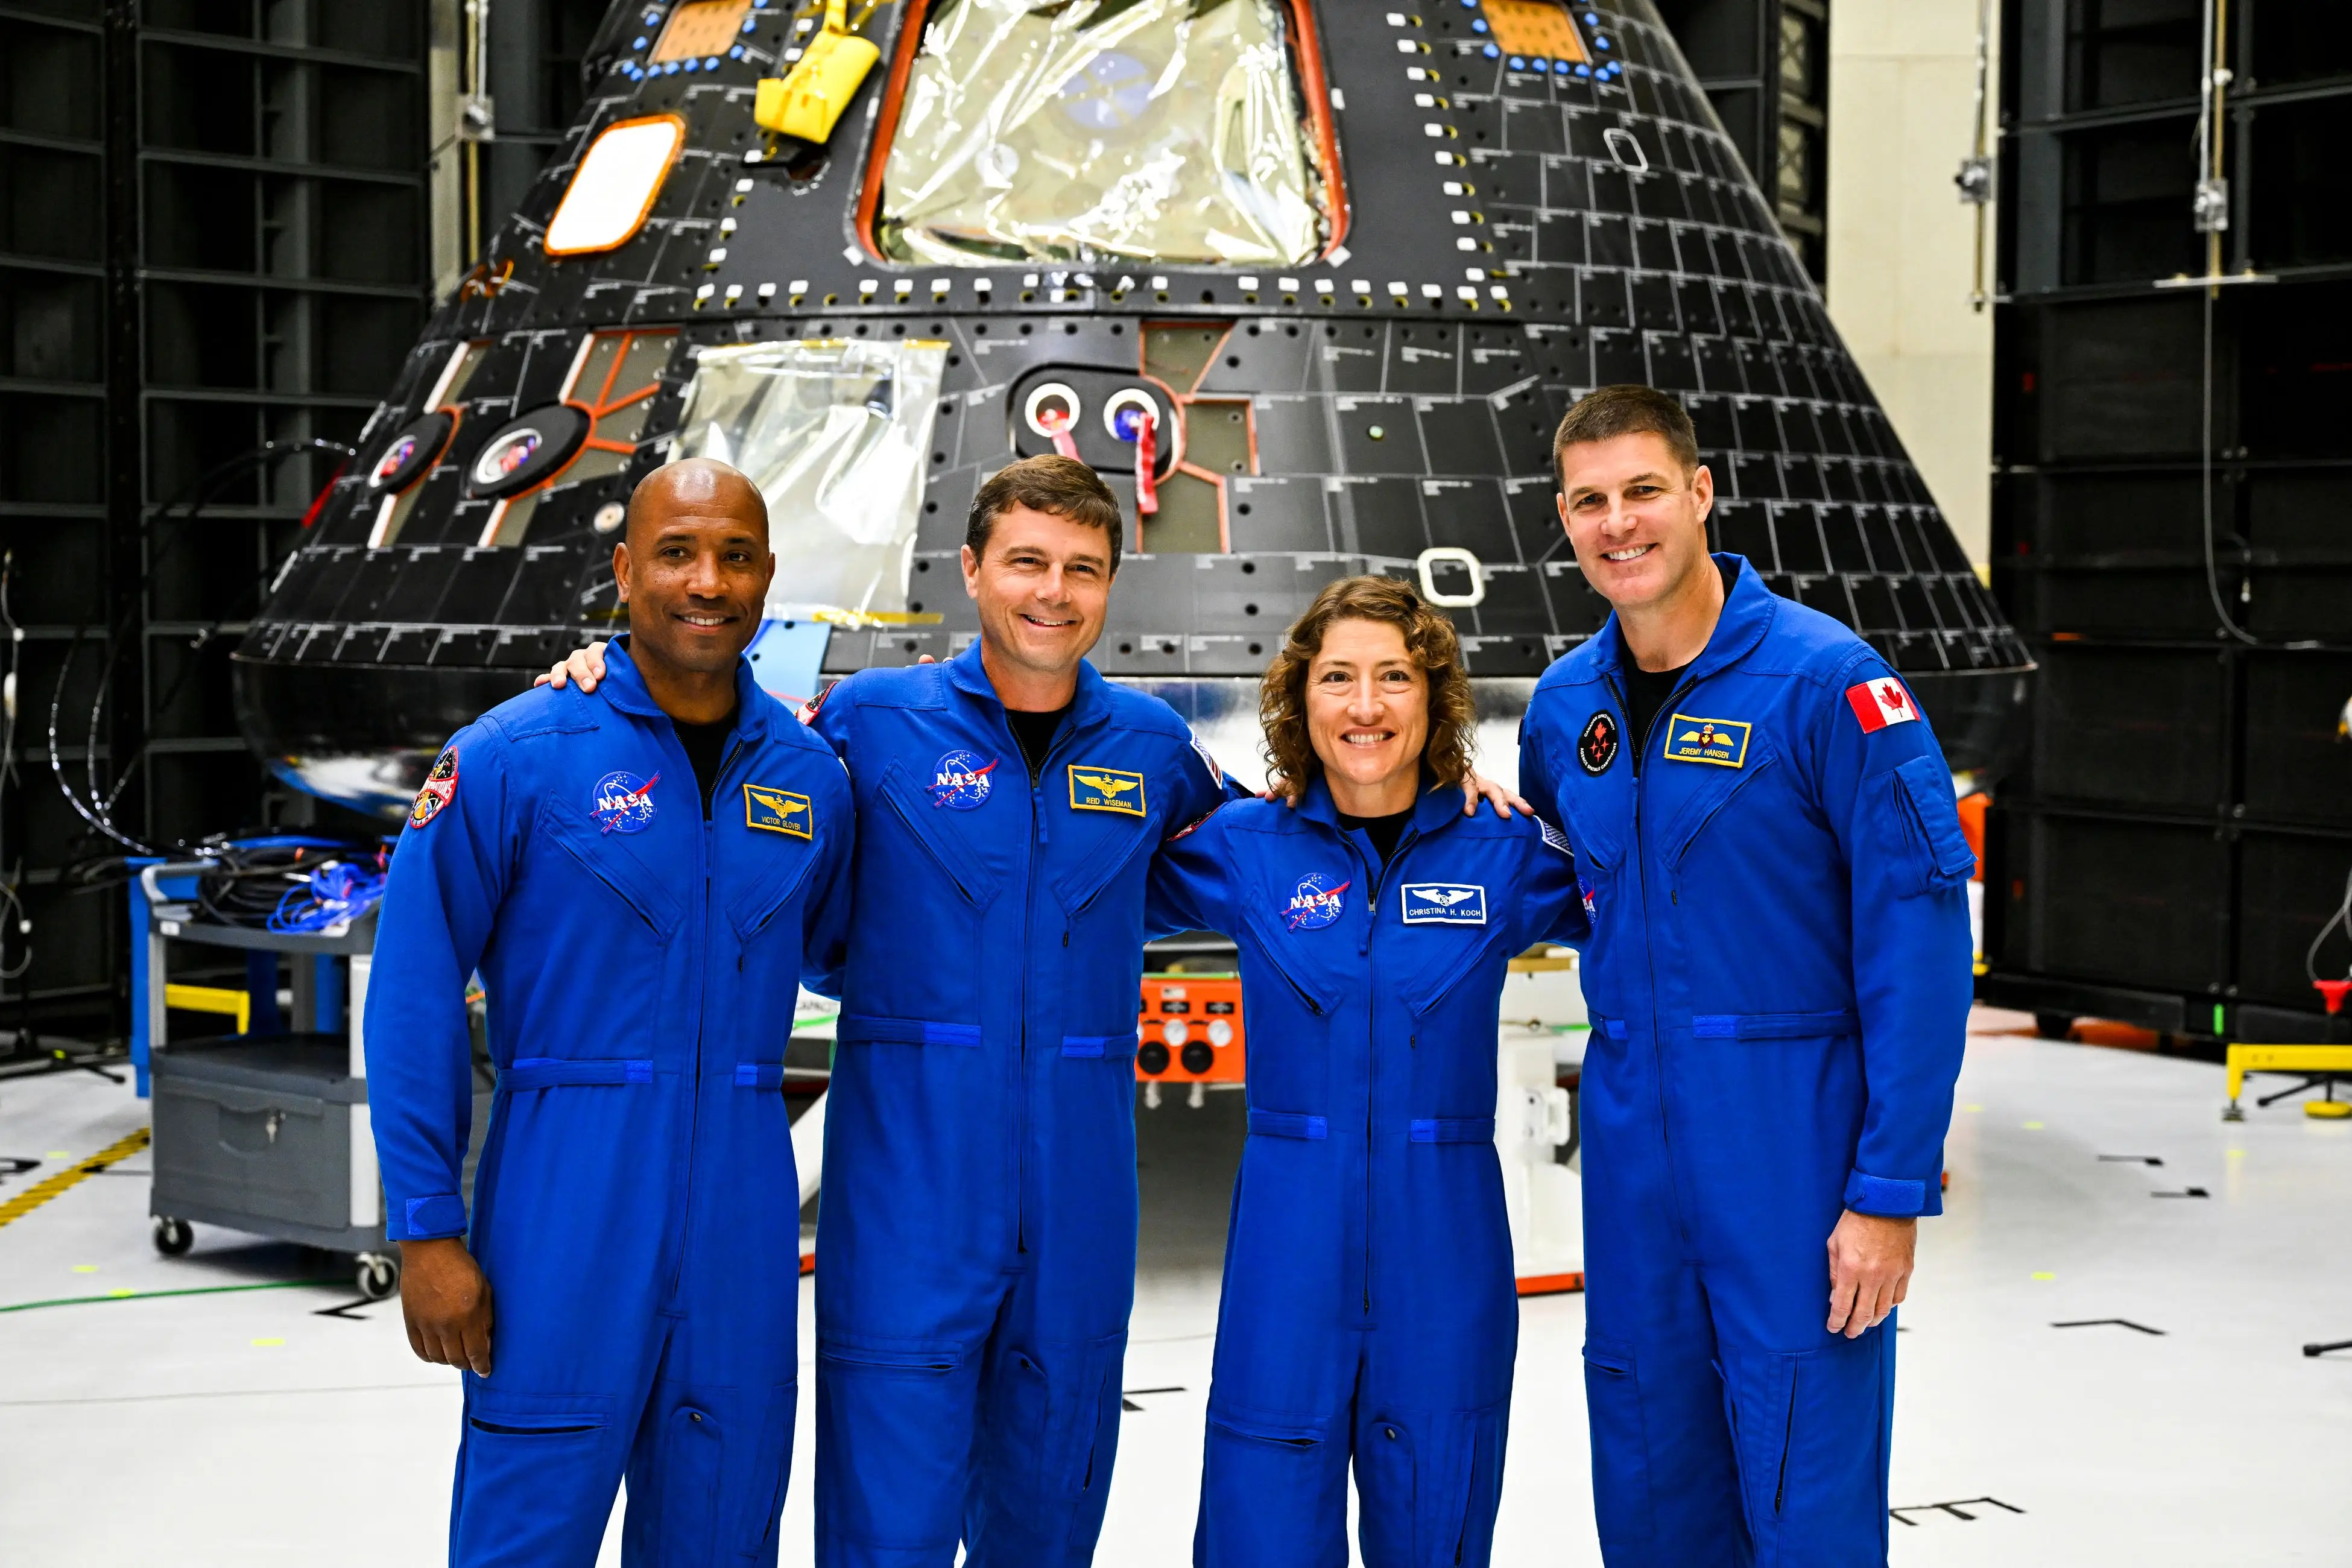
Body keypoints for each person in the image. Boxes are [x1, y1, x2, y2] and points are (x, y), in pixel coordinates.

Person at [544, 454, 1520, 1566]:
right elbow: (720, 751)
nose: (1052, 592)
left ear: (1111, 587)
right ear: (971, 570)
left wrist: (1459, 796)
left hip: (1079, 1222)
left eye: (1081, 570)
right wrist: (610, 671)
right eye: (1026, 563)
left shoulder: (1151, 748)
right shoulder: (867, 723)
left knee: (1051, 1525)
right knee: (886, 1533)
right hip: (909, 1211)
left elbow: (1306, 843)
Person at [1517, 386, 1974, 1567]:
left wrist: (1888, 1189)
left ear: (1703, 493)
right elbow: (1560, 882)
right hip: (1630, 1156)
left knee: (1802, 1475)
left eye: (1643, 491)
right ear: (1564, 520)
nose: (1619, 524)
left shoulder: (1831, 687)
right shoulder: (1567, 710)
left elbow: (1920, 946)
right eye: (1590, 502)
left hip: (1793, 1152)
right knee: (1649, 1461)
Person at [367, 460, 855, 1566]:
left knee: (725, 1526)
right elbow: (413, 990)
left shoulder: (813, 780)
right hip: (561, 1207)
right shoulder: (517, 756)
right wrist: (427, 1229)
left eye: (735, 555)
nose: (706, 581)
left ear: (768, 578)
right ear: (625, 570)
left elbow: (855, 956)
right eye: (677, 553)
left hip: (742, 1208)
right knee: (526, 1529)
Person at [1144, 577, 1587, 1568]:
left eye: (1395, 677)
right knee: (1264, 1504)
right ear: (1302, 701)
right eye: (1338, 678)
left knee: (1438, 1500)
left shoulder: (1506, 848)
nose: (1366, 705)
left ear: (1435, 700)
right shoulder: (1246, 845)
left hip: (1449, 1237)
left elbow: (1646, 904)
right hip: (1286, 1237)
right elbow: (1088, 877)